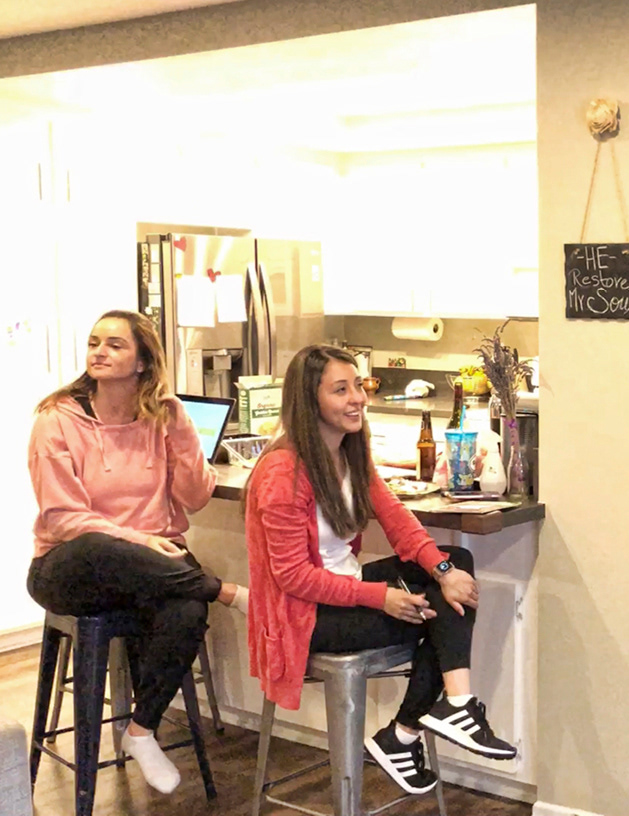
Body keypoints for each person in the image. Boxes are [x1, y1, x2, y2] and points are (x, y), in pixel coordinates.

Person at [243, 344, 516, 797]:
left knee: (456, 567)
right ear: (309, 399)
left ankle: (436, 716)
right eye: (341, 390)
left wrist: (442, 570)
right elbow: (293, 577)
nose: (358, 398)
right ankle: (411, 731)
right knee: (439, 618)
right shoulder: (282, 473)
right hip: (302, 617)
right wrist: (380, 597)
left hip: (344, 591)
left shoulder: (349, 452)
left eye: (358, 385)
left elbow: (397, 520)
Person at [26, 309, 248, 795]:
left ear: (143, 362)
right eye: (94, 343)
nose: (99, 352)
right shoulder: (57, 419)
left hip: (151, 568)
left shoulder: (159, 419)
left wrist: (181, 426)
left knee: (188, 609)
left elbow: (195, 497)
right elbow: (63, 518)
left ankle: (142, 731)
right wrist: (143, 540)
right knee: (101, 546)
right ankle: (225, 591)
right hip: (71, 566)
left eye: (115, 345)